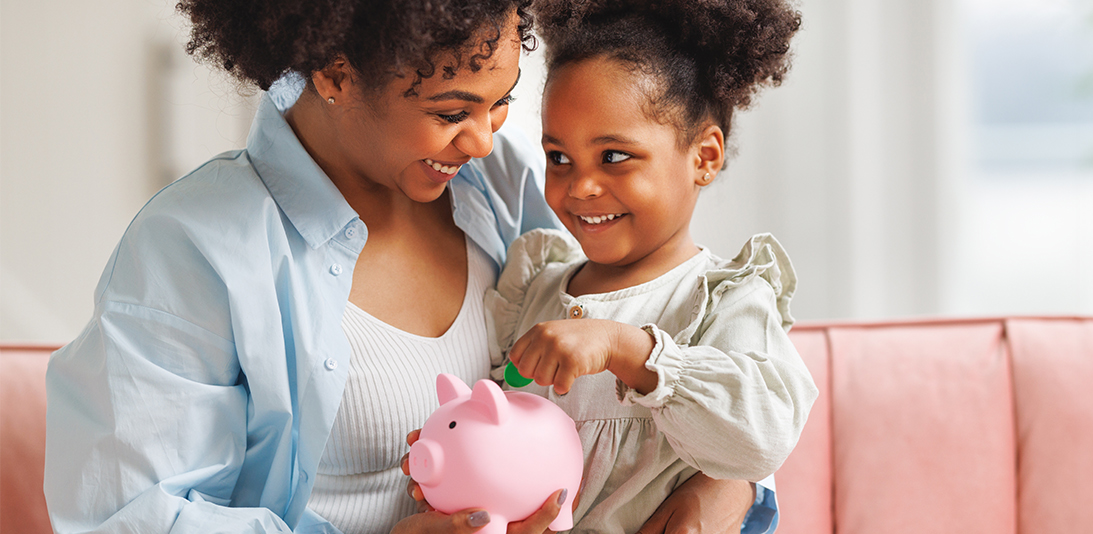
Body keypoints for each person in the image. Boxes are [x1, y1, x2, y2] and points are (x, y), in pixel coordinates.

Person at [43, 0, 776, 532]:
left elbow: (676, 329)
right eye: (453, 109)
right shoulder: (195, 247)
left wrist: (732, 484)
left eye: (501, 104)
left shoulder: (503, 188)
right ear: (336, 73)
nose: (484, 141)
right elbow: (125, 514)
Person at [450, 0, 817, 532]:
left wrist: (628, 350)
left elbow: (760, 439)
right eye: (558, 157)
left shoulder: (726, 301)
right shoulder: (533, 287)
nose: (580, 187)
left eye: (614, 157)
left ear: (704, 157)